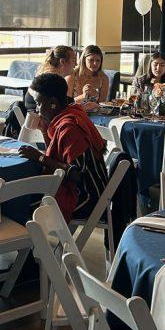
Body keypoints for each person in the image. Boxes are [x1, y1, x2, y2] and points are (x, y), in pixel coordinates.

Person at [19, 73, 108, 221]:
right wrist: (44, 130)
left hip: (87, 196)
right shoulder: (69, 113)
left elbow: (75, 175)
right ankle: (36, 243)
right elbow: (57, 155)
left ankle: (34, 243)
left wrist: (39, 157)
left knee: (22, 205)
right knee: (26, 198)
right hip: (83, 189)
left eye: (39, 103)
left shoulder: (69, 128)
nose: (37, 109)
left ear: (53, 102)